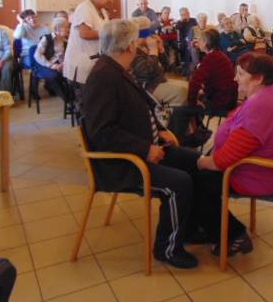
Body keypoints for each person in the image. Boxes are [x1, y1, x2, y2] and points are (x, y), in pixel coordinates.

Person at [83, 19, 201, 269]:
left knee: (195, 162)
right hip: (122, 164)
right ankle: (167, 248)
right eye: (135, 42)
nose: (137, 46)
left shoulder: (116, 68)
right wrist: (145, 149)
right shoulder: (103, 77)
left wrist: (161, 131)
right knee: (179, 184)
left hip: (141, 150)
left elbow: (141, 107)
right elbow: (103, 132)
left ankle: (190, 228)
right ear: (128, 46)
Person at [193, 53, 273, 254]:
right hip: (263, 169)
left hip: (258, 175)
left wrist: (199, 161)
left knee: (197, 180)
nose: (235, 78)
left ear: (258, 79)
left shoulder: (261, 106)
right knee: (197, 173)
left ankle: (235, 235)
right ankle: (205, 227)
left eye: (240, 74)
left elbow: (223, 161)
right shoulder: (270, 93)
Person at [169, 29, 237, 144]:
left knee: (179, 111)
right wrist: (203, 92)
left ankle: (176, 143)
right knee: (196, 99)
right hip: (227, 99)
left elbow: (194, 83)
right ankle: (196, 134)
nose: (197, 42)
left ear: (205, 42)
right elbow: (215, 81)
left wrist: (192, 102)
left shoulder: (211, 58)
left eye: (199, 40)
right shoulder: (219, 54)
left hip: (221, 105)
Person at [63, 0, 117, 86]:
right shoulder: (84, 8)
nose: (112, 1)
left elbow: (104, 31)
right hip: (81, 63)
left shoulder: (103, 11)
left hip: (95, 61)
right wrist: (111, 33)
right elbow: (85, 34)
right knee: (86, 95)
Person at [130, 17, 187, 108]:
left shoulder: (147, 47)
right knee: (183, 92)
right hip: (148, 87)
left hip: (160, 81)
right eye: (144, 34)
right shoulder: (134, 51)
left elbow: (168, 67)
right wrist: (153, 52)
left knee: (190, 88)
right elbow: (146, 72)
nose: (148, 36)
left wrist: (161, 50)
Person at [33, 17, 69, 99]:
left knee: (72, 74)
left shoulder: (66, 40)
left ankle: (73, 98)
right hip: (45, 63)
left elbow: (67, 55)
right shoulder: (46, 38)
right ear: (57, 29)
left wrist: (63, 64)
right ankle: (67, 100)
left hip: (60, 64)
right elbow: (37, 55)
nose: (68, 29)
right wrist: (51, 65)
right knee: (54, 76)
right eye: (66, 27)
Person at [175, 7, 197, 73]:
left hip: (193, 39)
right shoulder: (179, 23)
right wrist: (181, 21)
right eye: (182, 15)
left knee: (192, 45)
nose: (184, 16)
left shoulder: (193, 20)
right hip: (183, 41)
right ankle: (187, 69)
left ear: (188, 13)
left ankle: (194, 67)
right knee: (187, 46)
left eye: (185, 14)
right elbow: (177, 29)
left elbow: (196, 30)